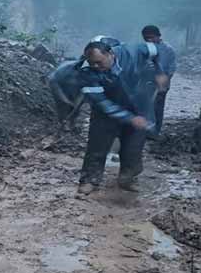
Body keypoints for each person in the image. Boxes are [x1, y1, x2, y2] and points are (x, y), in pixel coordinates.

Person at [74, 40, 169, 195]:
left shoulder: (133, 50)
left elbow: (157, 50)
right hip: (105, 112)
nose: (96, 67)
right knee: (97, 147)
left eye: (99, 62)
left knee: (133, 148)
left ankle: (128, 178)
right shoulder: (86, 72)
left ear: (111, 54)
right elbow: (101, 102)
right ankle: (89, 180)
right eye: (92, 64)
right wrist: (128, 118)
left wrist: (160, 71)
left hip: (138, 105)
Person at [46, 36, 121, 126]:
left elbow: (85, 93)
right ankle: (64, 123)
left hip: (80, 87)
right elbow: (53, 82)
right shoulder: (69, 69)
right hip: (60, 84)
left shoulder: (110, 67)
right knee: (65, 107)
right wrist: (65, 100)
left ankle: (70, 123)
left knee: (75, 107)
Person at [141, 25, 176, 136]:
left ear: (158, 36)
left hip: (161, 83)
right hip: (145, 83)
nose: (149, 40)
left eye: (151, 37)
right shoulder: (143, 48)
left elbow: (171, 69)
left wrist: (164, 82)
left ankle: (155, 132)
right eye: (146, 38)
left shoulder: (168, 50)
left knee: (157, 108)